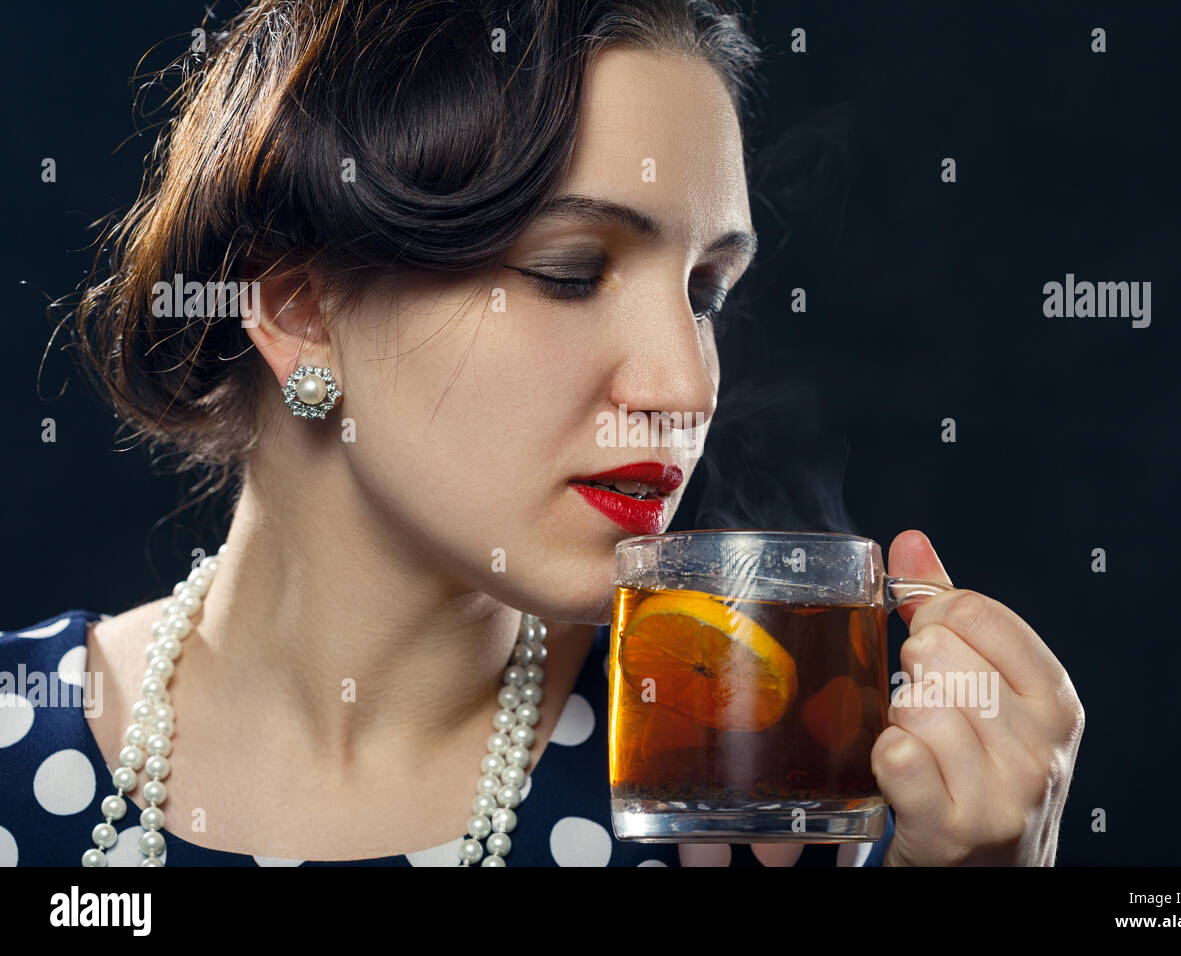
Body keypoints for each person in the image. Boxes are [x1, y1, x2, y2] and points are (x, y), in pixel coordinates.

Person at [0, 0, 1083, 867]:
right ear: (300, 310)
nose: (679, 384)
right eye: (569, 273)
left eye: (706, 291)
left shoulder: (749, 791)